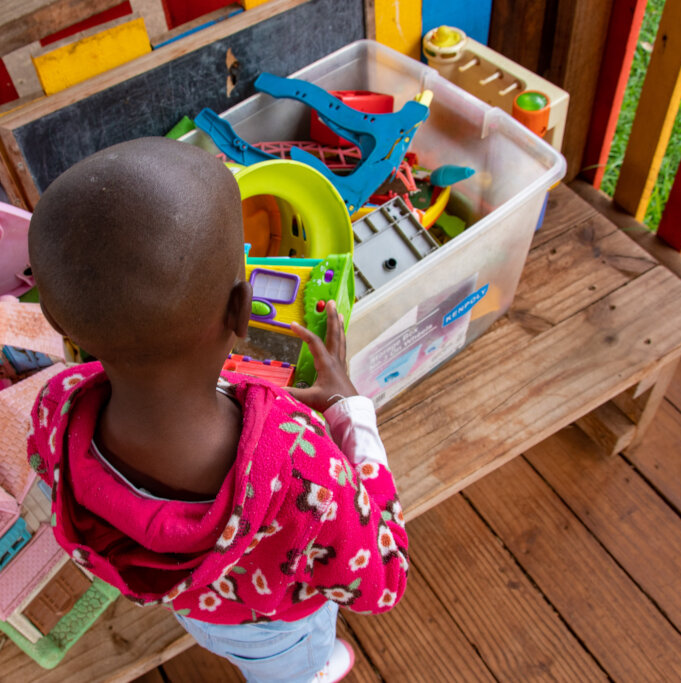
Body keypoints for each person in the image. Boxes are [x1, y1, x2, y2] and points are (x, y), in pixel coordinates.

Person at [26, 137, 408, 682]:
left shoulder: (55, 406)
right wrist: (349, 411)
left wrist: (247, 392)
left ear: (59, 323)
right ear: (241, 308)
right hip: (278, 631)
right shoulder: (304, 463)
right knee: (292, 671)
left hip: (199, 610)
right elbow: (383, 577)